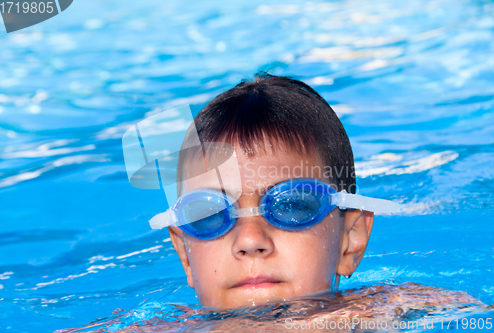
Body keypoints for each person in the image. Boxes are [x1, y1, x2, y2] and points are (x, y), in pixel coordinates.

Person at [157, 73, 400, 309]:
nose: (250, 240)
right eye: (210, 214)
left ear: (350, 240)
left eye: (291, 205)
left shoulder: (391, 312)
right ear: (185, 255)